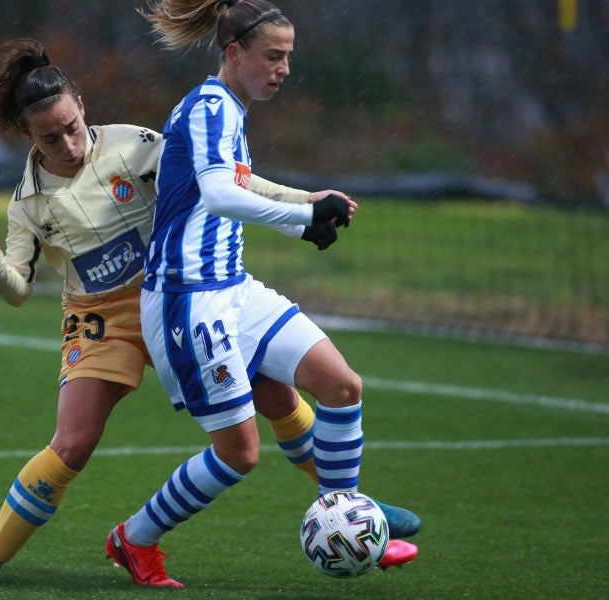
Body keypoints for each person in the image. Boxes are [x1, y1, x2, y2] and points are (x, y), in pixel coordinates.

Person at [0, 36, 419, 587]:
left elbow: (223, 177)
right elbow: (18, 289)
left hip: (178, 296)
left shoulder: (135, 146)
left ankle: (354, 517)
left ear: (83, 108)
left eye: (72, 126)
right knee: (73, 442)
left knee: (278, 395)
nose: (68, 143)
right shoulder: (26, 203)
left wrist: (303, 203)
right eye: (50, 136)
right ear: (27, 134)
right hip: (101, 319)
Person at [105, 0, 419, 588]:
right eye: (273, 57)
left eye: (289, 58)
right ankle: (135, 538)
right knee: (239, 455)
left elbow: (240, 182)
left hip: (234, 291)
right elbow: (222, 195)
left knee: (342, 385)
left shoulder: (227, 109)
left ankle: (345, 522)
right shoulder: (208, 107)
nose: (284, 69)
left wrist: (306, 206)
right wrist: (302, 217)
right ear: (234, 53)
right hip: (187, 301)